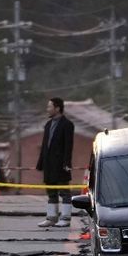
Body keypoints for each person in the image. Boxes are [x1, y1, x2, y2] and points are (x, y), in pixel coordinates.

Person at [35, 97, 74, 229]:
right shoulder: (48, 124)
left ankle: (65, 218)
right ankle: (51, 218)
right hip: (49, 164)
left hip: (61, 164)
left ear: (57, 108)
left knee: (64, 191)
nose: (48, 109)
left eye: (49, 107)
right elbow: (45, 145)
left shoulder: (67, 124)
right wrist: (40, 163)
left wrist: (67, 163)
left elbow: (68, 147)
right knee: (51, 191)